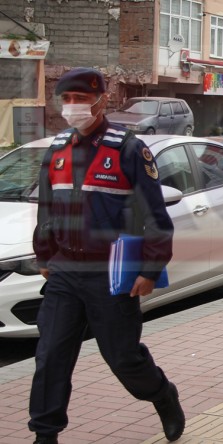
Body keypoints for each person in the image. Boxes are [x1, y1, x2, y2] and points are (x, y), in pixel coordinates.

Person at [30, 68, 184, 443]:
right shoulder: (57, 148)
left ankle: (163, 395)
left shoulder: (129, 149)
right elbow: (47, 209)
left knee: (123, 357)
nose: (72, 107)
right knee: (51, 357)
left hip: (111, 272)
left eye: (80, 99)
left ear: (101, 101)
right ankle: (45, 434)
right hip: (66, 269)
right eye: (66, 99)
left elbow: (155, 217)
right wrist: (45, 256)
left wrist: (149, 269)